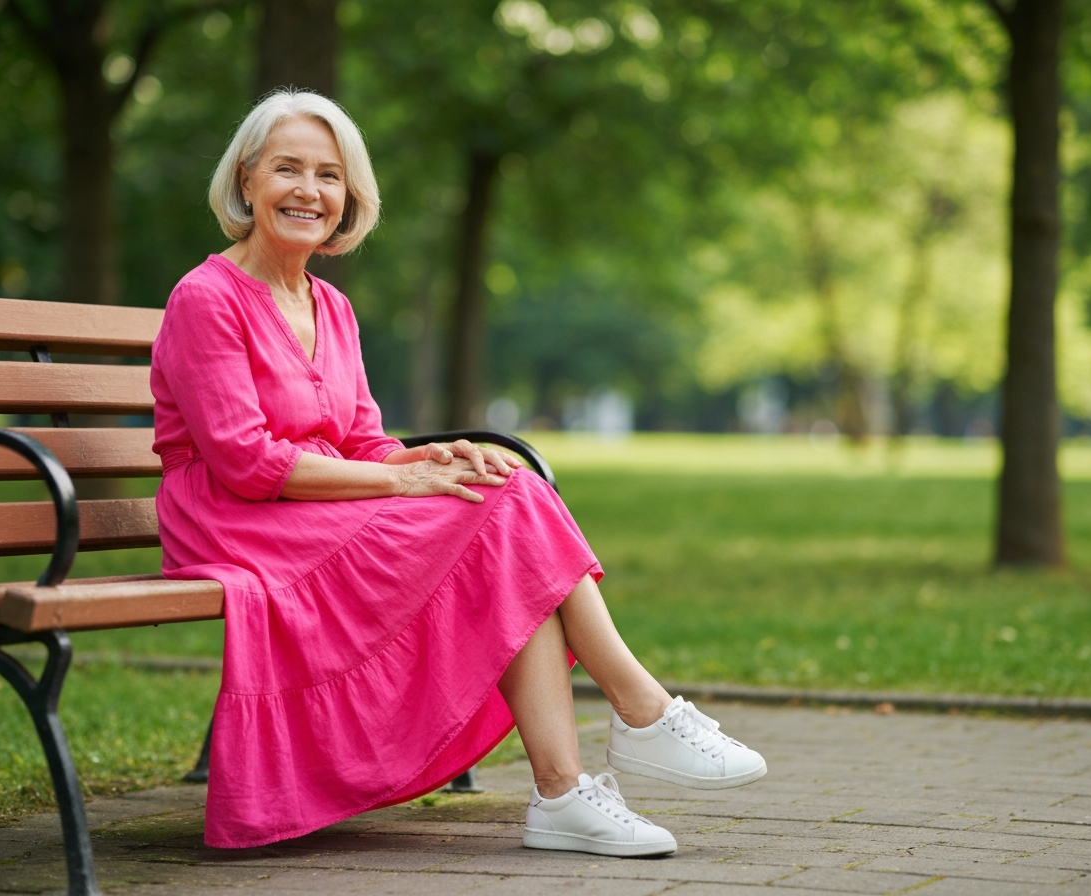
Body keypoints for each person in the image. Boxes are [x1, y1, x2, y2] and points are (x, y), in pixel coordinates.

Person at [150, 88, 767, 857]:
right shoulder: (206, 298)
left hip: (315, 506)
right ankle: (631, 717)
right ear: (246, 181)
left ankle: (570, 788)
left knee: (505, 489)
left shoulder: (331, 307)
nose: (310, 191)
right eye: (288, 169)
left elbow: (363, 442)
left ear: (350, 196)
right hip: (239, 521)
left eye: (329, 176)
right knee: (503, 519)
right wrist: (397, 483)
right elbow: (245, 462)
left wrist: (431, 459)